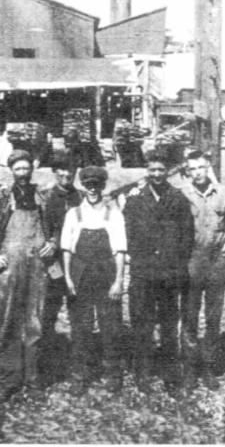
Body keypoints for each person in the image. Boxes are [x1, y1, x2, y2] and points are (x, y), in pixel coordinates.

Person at [0, 150, 54, 401]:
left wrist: (53, 241)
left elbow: (58, 225)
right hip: (8, 271)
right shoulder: (1, 197)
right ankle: (9, 379)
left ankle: (33, 380)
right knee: (7, 324)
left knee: (35, 324)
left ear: (32, 169)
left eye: (26, 168)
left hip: (37, 269)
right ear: (11, 171)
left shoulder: (43, 197)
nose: (22, 174)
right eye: (17, 169)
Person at [123, 150, 194, 394]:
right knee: (142, 324)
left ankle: (171, 376)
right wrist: (138, 258)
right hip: (143, 272)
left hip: (168, 274)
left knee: (168, 325)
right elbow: (128, 233)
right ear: (147, 170)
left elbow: (187, 236)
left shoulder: (178, 198)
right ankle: (142, 373)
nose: (156, 174)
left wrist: (176, 264)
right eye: (152, 169)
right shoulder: (135, 199)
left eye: (161, 170)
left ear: (168, 171)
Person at [61, 166, 127, 394]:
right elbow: (67, 250)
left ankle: (113, 373)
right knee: (81, 327)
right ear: (83, 187)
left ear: (103, 186)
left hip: (106, 274)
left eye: (96, 185)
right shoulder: (74, 214)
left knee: (111, 326)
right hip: (80, 276)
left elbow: (119, 250)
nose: (92, 190)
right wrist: (68, 278)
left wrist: (118, 281)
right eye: (88, 185)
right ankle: (80, 375)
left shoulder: (113, 214)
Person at [180, 150, 225, 390]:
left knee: (213, 318)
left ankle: (209, 368)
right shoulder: (181, 195)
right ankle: (190, 368)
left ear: (208, 167)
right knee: (190, 316)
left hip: (216, 262)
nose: (197, 173)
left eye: (201, 167)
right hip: (192, 261)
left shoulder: (221, 193)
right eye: (192, 169)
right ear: (187, 171)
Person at [38, 151, 82, 385]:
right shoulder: (44, 197)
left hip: (77, 265)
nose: (66, 174)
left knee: (78, 315)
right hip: (52, 265)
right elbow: (40, 229)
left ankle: (77, 366)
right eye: (61, 170)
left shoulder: (82, 197)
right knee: (48, 315)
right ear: (55, 172)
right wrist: (53, 241)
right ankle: (46, 365)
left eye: (71, 169)